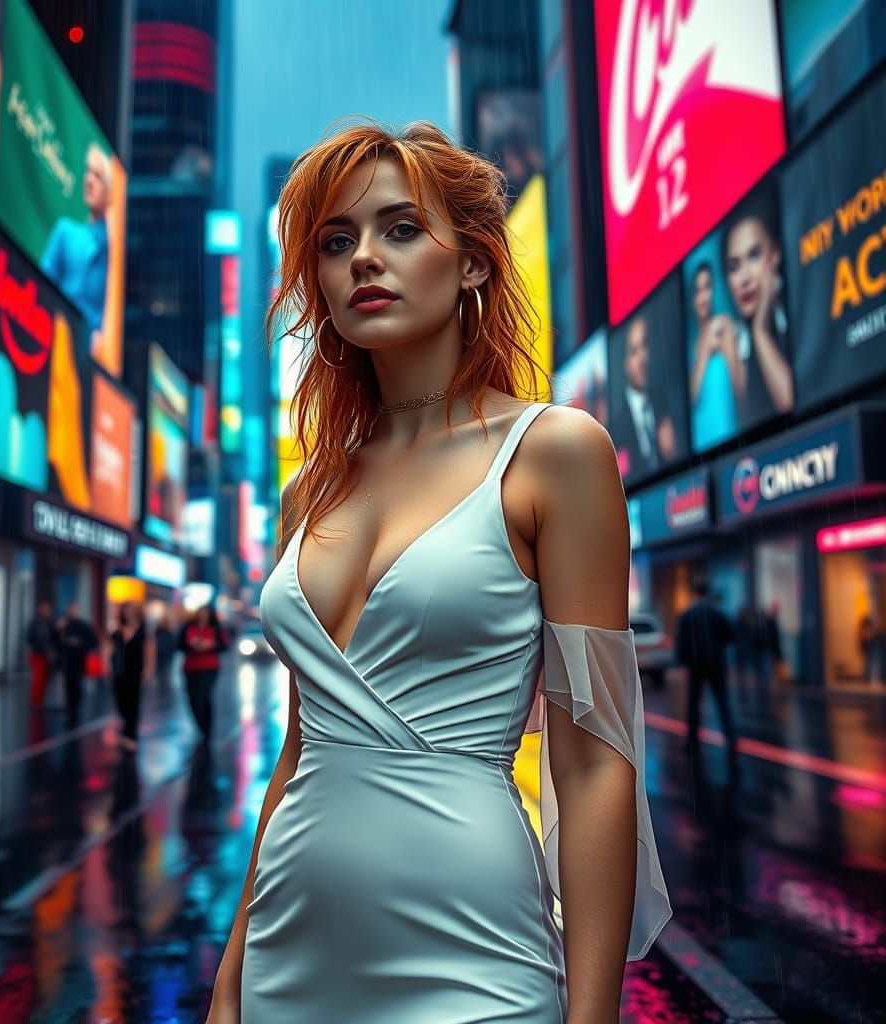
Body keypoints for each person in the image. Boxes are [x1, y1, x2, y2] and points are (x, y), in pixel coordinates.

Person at [206, 120, 671, 1024]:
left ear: (474, 265)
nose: (362, 258)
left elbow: (593, 764)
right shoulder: (308, 492)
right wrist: (231, 975)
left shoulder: (556, 454)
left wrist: (594, 1017)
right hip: (286, 958)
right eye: (335, 242)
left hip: (475, 956)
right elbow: (299, 749)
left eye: (400, 228)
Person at [722, 196, 794, 425]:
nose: (744, 278)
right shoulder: (735, 344)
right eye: (734, 267)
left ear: (775, 255)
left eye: (754, 255)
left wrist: (760, 331)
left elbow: (789, 401)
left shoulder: (803, 310)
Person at [39, 142, 111, 337]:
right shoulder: (65, 232)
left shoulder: (114, 254)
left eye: (98, 176)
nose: (89, 181)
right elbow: (41, 286)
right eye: (89, 172)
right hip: (55, 334)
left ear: (110, 190)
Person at [674, 578, 738, 761]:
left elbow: (681, 641)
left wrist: (681, 662)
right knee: (722, 700)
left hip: (695, 665)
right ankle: (731, 737)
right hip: (716, 664)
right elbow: (730, 637)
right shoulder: (717, 613)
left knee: (693, 703)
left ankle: (692, 741)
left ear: (694, 593)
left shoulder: (687, 615)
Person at [609, 313, 678, 477]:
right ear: (625, 363)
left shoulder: (664, 401)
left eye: (644, 345)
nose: (642, 358)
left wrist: (672, 454)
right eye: (634, 351)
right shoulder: (615, 426)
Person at [688, 261, 741, 450]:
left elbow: (740, 388)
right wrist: (704, 353)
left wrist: (727, 344)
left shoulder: (724, 326)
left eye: (707, 287)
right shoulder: (691, 346)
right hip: (701, 443)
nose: (704, 296)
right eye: (698, 290)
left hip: (728, 434)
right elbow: (692, 398)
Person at [180, 603, 228, 746]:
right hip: (191, 667)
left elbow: (223, 646)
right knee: (193, 699)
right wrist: (191, 645)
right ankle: (201, 726)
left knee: (204, 697)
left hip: (209, 667)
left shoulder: (215, 628)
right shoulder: (188, 627)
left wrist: (210, 645)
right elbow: (179, 645)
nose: (202, 616)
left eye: (205, 613)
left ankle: (207, 730)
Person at [110, 603, 146, 752]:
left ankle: (131, 735)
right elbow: (110, 647)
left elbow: (149, 647)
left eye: (130, 611)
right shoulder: (117, 630)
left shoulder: (141, 629)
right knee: (121, 701)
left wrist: (148, 668)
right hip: (119, 670)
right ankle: (126, 728)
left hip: (135, 670)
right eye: (125, 611)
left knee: (133, 702)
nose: (128, 614)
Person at [59, 603, 98, 728]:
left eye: (74, 610)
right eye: (70, 610)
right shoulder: (64, 625)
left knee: (77, 687)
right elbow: (57, 642)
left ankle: (76, 711)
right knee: (68, 687)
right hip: (67, 661)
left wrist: (80, 643)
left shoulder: (84, 626)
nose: (72, 612)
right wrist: (60, 632)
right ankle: (71, 713)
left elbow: (93, 642)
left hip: (80, 661)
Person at [26, 601, 60, 709]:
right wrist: (48, 650)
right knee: (39, 679)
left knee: (43, 679)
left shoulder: (48, 622)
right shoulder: (38, 623)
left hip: (42, 654)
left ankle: (40, 701)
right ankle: (36, 702)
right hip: (38, 654)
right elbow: (40, 639)